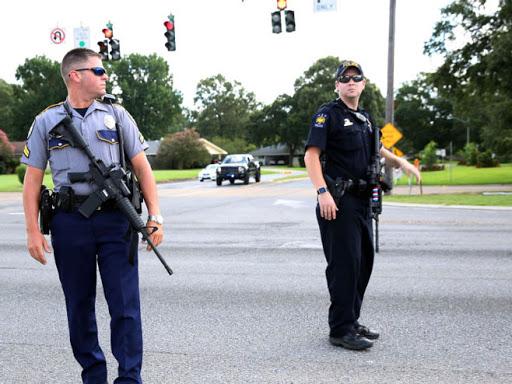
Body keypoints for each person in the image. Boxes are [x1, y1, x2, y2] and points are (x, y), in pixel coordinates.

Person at [21, 48, 164, 383]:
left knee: (125, 307)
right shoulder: (46, 121)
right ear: (75, 75)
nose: (105, 76)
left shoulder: (117, 115)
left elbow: (143, 168)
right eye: (98, 71)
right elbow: (32, 179)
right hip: (70, 222)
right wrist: (32, 231)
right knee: (79, 306)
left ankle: (129, 378)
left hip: (117, 220)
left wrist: (155, 215)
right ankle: (93, 375)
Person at [304, 60, 421, 351]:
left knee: (362, 263)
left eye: (356, 78)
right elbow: (311, 156)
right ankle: (340, 329)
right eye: (345, 78)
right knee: (344, 265)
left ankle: (352, 320)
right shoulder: (327, 115)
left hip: (362, 201)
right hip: (338, 202)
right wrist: (322, 192)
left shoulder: (366, 119)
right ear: (337, 85)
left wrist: (402, 162)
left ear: (364, 84)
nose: (351, 82)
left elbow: (377, 147)